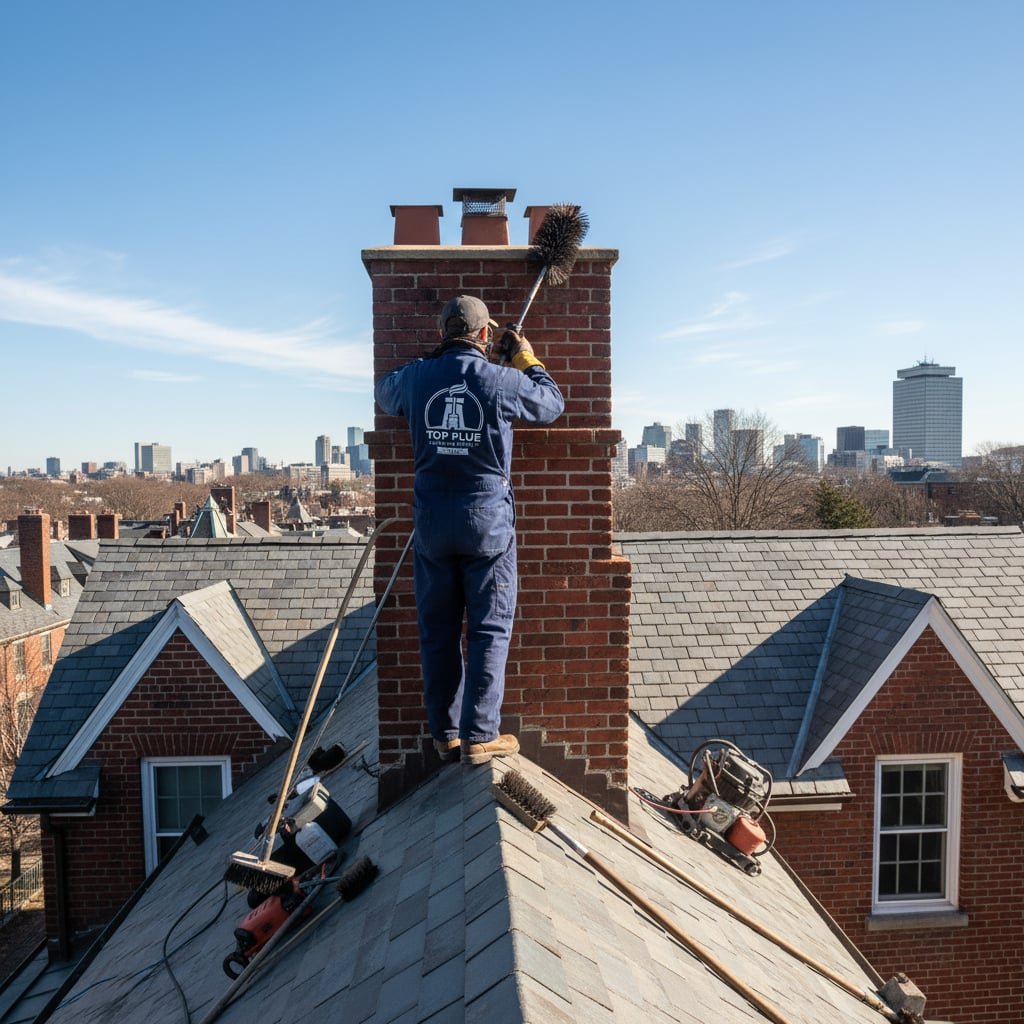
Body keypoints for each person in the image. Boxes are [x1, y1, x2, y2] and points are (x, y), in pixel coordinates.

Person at [374, 295, 565, 764]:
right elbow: (551, 403)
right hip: (486, 526)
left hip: (434, 525)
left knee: (436, 630)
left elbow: (385, 392)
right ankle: (480, 734)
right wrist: (525, 359)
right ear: (484, 336)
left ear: (444, 333)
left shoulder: (418, 378)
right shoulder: (500, 379)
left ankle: (446, 732)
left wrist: (425, 368)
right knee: (488, 628)